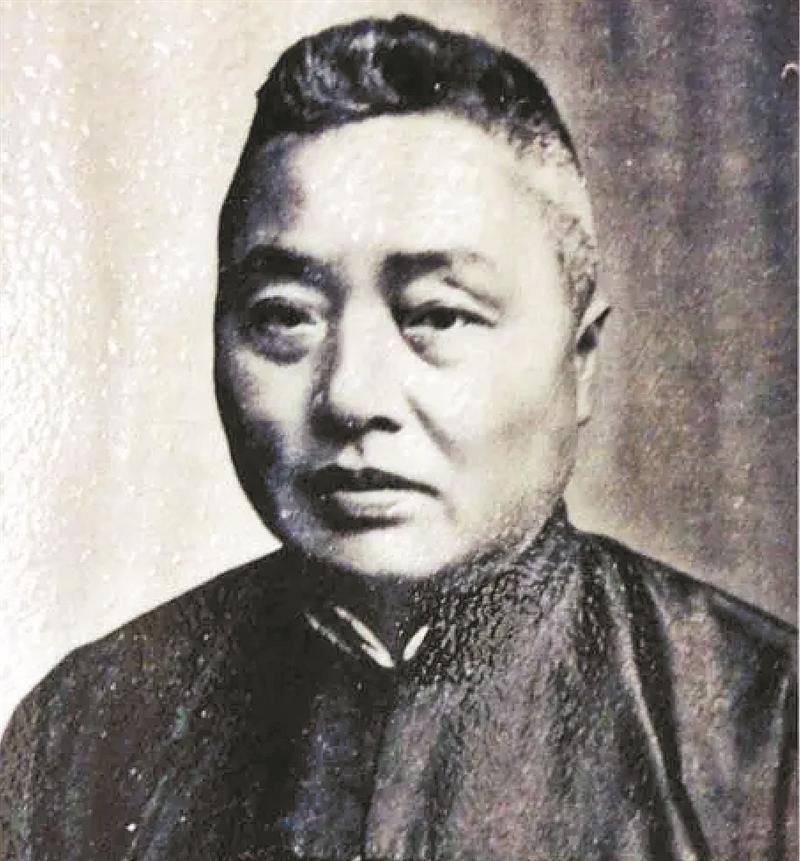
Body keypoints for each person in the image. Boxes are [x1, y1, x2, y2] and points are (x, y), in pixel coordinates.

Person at [1, 15, 795, 861]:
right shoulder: (80, 731)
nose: (351, 395)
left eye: (438, 315)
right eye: (284, 316)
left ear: (582, 359)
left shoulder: (765, 734)